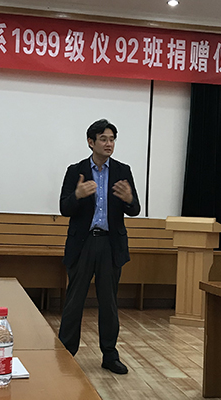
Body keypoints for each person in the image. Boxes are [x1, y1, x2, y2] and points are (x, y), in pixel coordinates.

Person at [58, 119, 140, 375]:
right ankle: (66, 352)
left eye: (112, 139)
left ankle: (110, 355)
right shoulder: (76, 171)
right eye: (103, 139)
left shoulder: (123, 171)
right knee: (74, 301)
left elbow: (135, 209)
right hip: (83, 244)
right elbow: (64, 208)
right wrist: (78, 195)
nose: (109, 144)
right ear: (90, 142)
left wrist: (129, 199)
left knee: (109, 303)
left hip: (110, 244)